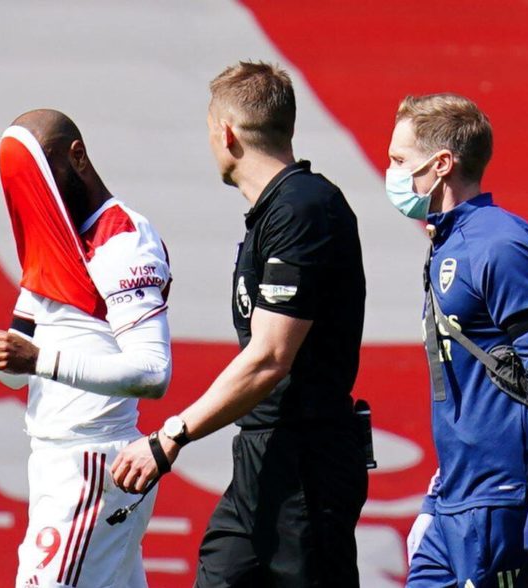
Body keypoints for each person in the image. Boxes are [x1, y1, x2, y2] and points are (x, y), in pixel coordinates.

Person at [111, 61, 368, 587]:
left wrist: (170, 437)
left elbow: (271, 357)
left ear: (225, 134)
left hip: (307, 463)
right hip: (264, 455)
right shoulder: (276, 212)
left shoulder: (304, 209)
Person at [0, 109, 173, 588]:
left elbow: (152, 372)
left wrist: (40, 358)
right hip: (57, 463)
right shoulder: (50, 244)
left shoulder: (123, 239)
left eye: (37, 178)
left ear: (77, 157)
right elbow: (21, 372)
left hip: (91, 465)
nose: (30, 194)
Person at [386, 94, 528, 587]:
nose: (394, 173)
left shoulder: (500, 243)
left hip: (504, 503)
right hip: (455, 500)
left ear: (441, 164)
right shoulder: (448, 242)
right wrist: (435, 497)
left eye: (399, 161)